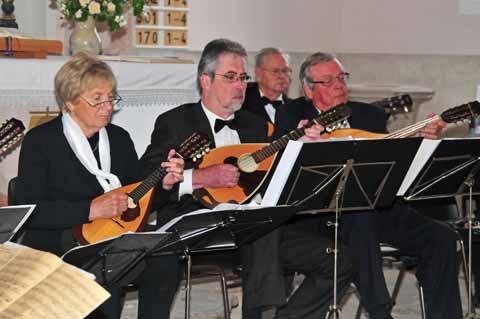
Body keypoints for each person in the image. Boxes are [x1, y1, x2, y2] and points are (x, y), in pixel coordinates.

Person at [140, 39, 353, 319]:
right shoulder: (175, 122)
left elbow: (275, 175)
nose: (240, 85)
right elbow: (147, 180)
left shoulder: (254, 125)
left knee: (339, 257)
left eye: (242, 77)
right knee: (261, 227)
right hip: (197, 227)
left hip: (254, 229)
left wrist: (302, 147)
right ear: (205, 80)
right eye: (230, 77)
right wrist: (200, 177)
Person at [274, 52, 462, 319]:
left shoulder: (369, 115)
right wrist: (302, 143)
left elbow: (393, 164)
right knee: (358, 215)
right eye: (328, 81)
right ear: (308, 89)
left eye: (341, 78)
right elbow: (281, 163)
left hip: (378, 207)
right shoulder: (291, 114)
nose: (339, 85)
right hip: (320, 215)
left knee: (441, 236)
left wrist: (422, 141)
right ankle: (380, 311)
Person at [15, 52, 185, 319]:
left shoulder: (119, 139)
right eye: (97, 99)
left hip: (112, 237)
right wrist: (90, 210)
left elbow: (134, 203)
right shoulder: (41, 141)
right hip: (59, 242)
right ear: (70, 102)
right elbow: (30, 212)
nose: (107, 106)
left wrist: (163, 185)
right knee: (107, 264)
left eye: (111, 97)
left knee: (165, 257)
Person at [242, 47, 291, 124]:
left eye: (285, 71)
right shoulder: (241, 102)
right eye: (275, 71)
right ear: (258, 73)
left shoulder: (297, 108)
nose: (281, 76)